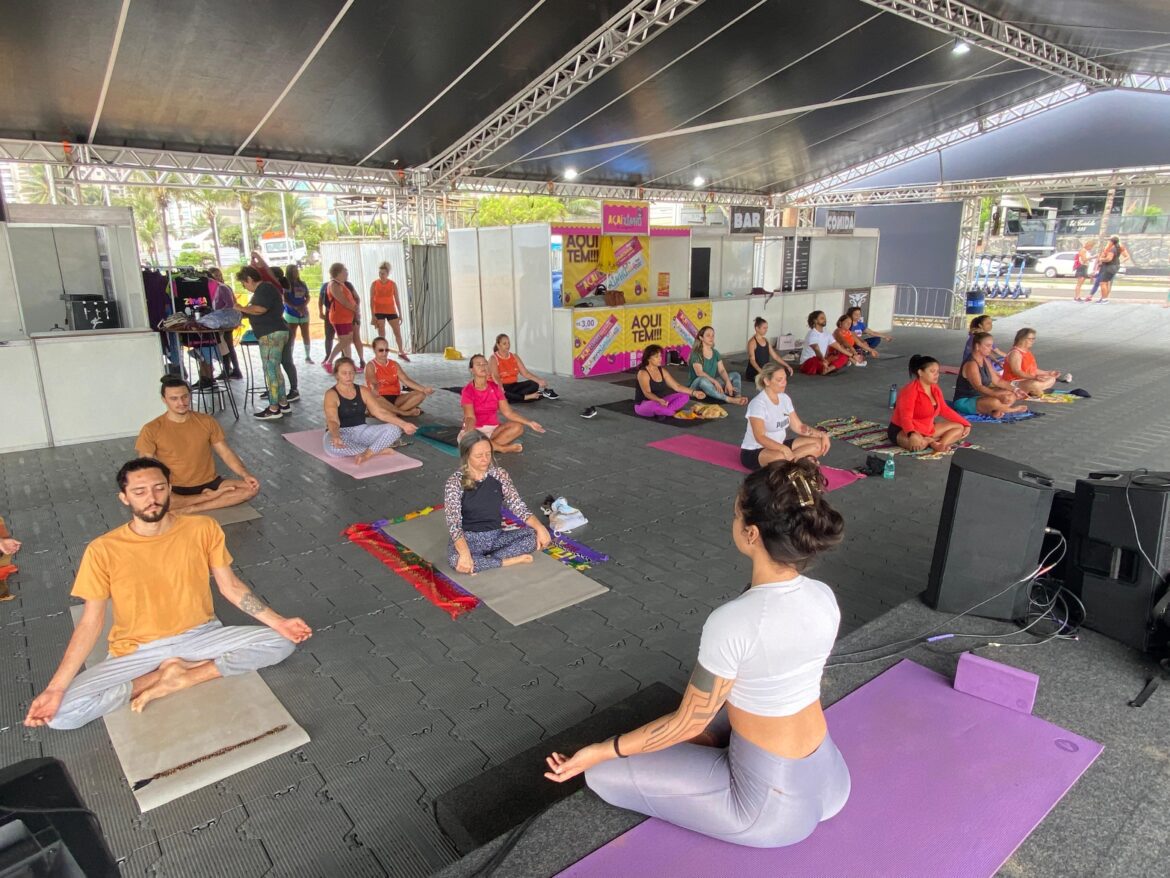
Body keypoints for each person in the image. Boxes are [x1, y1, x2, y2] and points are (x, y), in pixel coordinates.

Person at [545, 459, 850, 848]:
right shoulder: (823, 596)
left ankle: (690, 751)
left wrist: (601, 751)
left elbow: (685, 724)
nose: (733, 521)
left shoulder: (733, 621)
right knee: (736, 695)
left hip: (768, 806)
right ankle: (711, 745)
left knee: (602, 775)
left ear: (752, 534)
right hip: (829, 775)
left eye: (736, 513)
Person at [23, 458, 312, 730]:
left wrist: (279, 623)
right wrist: (55, 688)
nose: (152, 498)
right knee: (61, 714)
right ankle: (160, 677)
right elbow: (90, 622)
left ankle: (187, 676)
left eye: (159, 488)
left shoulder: (203, 528)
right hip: (137, 650)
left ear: (170, 489)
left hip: (199, 635)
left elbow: (231, 587)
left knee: (280, 641)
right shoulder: (103, 550)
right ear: (124, 498)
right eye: (139, 491)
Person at [136, 376, 261, 513]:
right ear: (164, 400)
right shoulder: (151, 429)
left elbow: (225, 453)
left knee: (251, 488)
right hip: (175, 487)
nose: (181, 402)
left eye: (185, 397)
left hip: (210, 483)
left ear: (190, 396)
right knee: (158, 500)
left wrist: (245, 474)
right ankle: (209, 498)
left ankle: (192, 507)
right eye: (174, 399)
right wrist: (158, 488)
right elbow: (146, 466)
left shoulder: (206, 421)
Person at [444, 431, 552, 574]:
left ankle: (484, 562)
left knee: (533, 537)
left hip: (496, 536)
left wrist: (541, 528)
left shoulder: (499, 474)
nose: (485, 459)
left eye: (488, 454)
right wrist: (464, 554)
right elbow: (454, 524)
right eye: (478, 456)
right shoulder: (455, 482)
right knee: (456, 561)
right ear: (466, 456)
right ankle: (507, 561)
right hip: (470, 539)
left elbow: (517, 505)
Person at [324, 358, 417, 466]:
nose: (348, 376)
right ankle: (378, 450)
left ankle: (368, 453)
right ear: (336, 375)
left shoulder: (363, 391)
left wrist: (404, 424)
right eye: (344, 373)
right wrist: (336, 436)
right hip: (341, 433)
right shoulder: (331, 394)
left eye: (351, 373)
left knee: (395, 429)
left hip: (362, 431)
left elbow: (380, 412)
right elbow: (332, 420)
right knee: (333, 447)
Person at [740, 363, 829, 470]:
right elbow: (760, 438)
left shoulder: (785, 398)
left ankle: (793, 464)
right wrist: (784, 449)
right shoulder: (758, 404)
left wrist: (821, 435)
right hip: (756, 450)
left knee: (819, 444)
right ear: (767, 381)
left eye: (785, 379)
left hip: (779, 445)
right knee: (781, 458)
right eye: (779, 380)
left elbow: (799, 426)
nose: (784, 383)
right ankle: (799, 463)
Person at [235, 265, 290, 420]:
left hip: (270, 334)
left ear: (250, 279)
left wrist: (241, 308)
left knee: (270, 370)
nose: (245, 287)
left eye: (244, 283)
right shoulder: (266, 289)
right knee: (275, 369)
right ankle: (283, 403)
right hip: (276, 331)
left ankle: (274, 408)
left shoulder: (264, 289)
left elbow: (260, 309)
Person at [460, 355, 544, 453]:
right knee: (472, 440)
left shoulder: (495, 388)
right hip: (475, 429)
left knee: (518, 427)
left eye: (485, 364)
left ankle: (484, 447)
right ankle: (501, 448)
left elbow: (508, 413)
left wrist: (529, 422)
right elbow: (470, 417)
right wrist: (469, 432)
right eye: (478, 364)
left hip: (493, 430)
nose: (483, 366)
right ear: (472, 370)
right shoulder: (468, 391)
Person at [889, 355, 971, 453]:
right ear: (920, 373)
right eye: (932, 372)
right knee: (918, 445)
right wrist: (912, 434)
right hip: (904, 429)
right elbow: (905, 417)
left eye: (937, 371)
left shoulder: (935, 388)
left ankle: (940, 444)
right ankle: (932, 442)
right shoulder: (909, 391)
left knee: (960, 428)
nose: (936, 375)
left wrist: (966, 424)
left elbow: (944, 409)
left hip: (926, 429)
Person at [249, 253, 300, 405]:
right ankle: (281, 397)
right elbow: (266, 270)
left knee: (278, 365)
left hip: (274, 329)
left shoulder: (272, 287)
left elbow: (261, 309)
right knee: (280, 364)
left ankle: (280, 400)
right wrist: (257, 258)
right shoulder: (273, 287)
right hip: (282, 327)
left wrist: (257, 259)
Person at [954, 332, 1029, 418]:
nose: (991, 349)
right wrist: (997, 395)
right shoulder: (971, 364)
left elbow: (997, 380)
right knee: (995, 402)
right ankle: (1011, 410)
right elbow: (979, 386)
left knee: (1010, 395)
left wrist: (1016, 390)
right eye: (988, 346)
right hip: (965, 400)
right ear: (977, 346)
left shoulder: (985, 359)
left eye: (991, 346)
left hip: (980, 396)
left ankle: (996, 410)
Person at [364, 337, 433, 415]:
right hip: (380, 398)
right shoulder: (370, 365)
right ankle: (404, 413)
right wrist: (375, 389)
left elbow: (406, 380)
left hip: (396, 398)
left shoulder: (394, 364)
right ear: (374, 350)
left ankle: (393, 413)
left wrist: (424, 389)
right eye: (381, 350)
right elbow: (373, 382)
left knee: (421, 395)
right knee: (374, 398)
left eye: (386, 350)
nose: (384, 353)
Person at [635, 344, 706, 418]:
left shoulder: (662, 371)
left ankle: (665, 411)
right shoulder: (643, 373)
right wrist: (659, 400)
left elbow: (677, 387)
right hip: (645, 403)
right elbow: (647, 393)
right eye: (656, 357)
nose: (660, 359)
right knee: (654, 406)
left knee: (685, 396)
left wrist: (694, 393)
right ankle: (667, 411)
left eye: (660, 356)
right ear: (648, 359)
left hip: (662, 401)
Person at [489, 333, 559, 403]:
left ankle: (512, 398)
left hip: (513, 386)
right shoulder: (493, 358)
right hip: (501, 386)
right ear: (498, 345)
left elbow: (525, 373)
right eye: (504, 343)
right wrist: (500, 387)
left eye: (508, 343)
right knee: (503, 393)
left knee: (534, 384)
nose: (508, 345)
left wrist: (539, 380)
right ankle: (532, 396)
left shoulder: (514, 356)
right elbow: (495, 376)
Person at [688, 326, 746, 405]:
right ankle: (728, 399)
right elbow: (699, 373)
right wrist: (715, 382)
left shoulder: (715, 353)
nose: (711, 338)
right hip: (696, 387)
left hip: (710, 384)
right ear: (701, 338)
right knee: (702, 380)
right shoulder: (696, 353)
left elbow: (722, 370)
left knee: (735, 375)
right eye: (708, 335)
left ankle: (737, 396)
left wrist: (728, 382)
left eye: (713, 335)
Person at [322, 263, 364, 373]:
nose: (347, 273)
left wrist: (355, 310)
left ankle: (350, 364)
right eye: (345, 271)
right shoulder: (334, 285)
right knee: (345, 340)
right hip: (339, 318)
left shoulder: (342, 284)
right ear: (338, 273)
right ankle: (329, 361)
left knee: (346, 341)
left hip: (346, 318)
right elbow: (343, 301)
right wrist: (355, 309)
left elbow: (352, 299)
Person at [1000, 328, 1061, 397]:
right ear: (1022, 339)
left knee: (1052, 378)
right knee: (1034, 384)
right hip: (1013, 382)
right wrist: (1034, 377)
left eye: (1033, 339)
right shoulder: (1015, 353)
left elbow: (1032, 369)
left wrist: (1048, 373)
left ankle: (1034, 390)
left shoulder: (1027, 351)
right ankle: (1034, 390)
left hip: (1027, 380)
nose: (1032, 341)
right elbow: (1017, 371)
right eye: (1030, 339)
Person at [370, 262, 409, 361]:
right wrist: (372, 315)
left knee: (397, 332)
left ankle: (401, 351)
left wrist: (400, 314)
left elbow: (397, 299)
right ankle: (381, 353)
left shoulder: (392, 284)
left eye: (383, 273)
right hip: (378, 311)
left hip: (391, 311)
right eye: (380, 273)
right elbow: (371, 300)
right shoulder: (374, 284)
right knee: (382, 333)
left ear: (387, 274)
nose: (381, 275)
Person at [208, 267, 242, 380]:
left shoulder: (222, 288)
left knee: (227, 346)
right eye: (215, 276)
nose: (218, 277)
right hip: (222, 320)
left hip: (225, 320)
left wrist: (218, 314)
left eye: (219, 275)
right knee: (225, 346)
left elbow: (229, 304)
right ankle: (229, 369)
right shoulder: (218, 288)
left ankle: (231, 370)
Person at [798, 311, 851, 376]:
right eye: (822, 318)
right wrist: (824, 360)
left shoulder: (827, 334)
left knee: (844, 356)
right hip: (808, 363)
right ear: (815, 321)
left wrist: (853, 355)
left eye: (825, 318)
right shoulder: (812, 333)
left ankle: (828, 369)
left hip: (821, 360)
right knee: (814, 359)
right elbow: (816, 349)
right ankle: (825, 367)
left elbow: (838, 347)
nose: (825, 319)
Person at [743, 317, 793, 384]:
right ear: (757, 328)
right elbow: (752, 360)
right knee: (775, 377)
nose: (766, 330)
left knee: (785, 371)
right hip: (755, 372)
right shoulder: (752, 342)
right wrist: (761, 372)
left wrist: (787, 365)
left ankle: (769, 376)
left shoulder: (766, 340)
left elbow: (775, 356)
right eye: (764, 328)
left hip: (766, 370)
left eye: (767, 328)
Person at [283, 264, 313, 363]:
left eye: (297, 270)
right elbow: (285, 299)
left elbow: (308, 296)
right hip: (291, 313)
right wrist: (294, 307)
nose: (296, 272)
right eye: (294, 271)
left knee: (306, 334)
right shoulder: (286, 285)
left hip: (303, 312)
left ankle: (308, 356)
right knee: (292, 336)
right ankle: (290, 357)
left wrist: (303, 305)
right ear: (289, 272)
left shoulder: (302, 283)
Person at [1087, 236, 1130, 303]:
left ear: (1112, 241)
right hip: (1111, 266)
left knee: (1103, 283)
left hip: (1109, 266)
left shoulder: (1113, 249)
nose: (1108, 242)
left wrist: (1101, 259)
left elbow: (1109, 258)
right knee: (1106, 283)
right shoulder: (1117, 247)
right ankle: (1104, 298)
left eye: (1109, 240)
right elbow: (1126, 256)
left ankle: (1104, 299)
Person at [318, 279, 334, 367]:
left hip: (341, 314)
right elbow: (320, 299)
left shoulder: (345, 285)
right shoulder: (325, 285)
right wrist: (320, 312)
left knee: (343, 337)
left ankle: (344, 356)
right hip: (329, 312)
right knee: (328, 335)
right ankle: (328, 355)